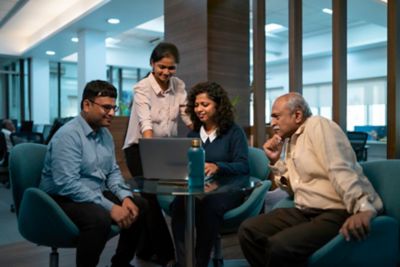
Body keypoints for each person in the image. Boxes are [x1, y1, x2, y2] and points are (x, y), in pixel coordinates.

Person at [238, 92, 383, 267]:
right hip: (304, 211)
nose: (272, 123)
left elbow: (340, 169)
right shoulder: (292, 139)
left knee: (279, 246)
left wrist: (364, 208)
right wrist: (276, 161)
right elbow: (292, 188)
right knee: (248, 231)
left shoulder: (318, 125)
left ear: (297, 115)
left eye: (276, 117)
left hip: (335, 211)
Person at [40, 80, 147, 267]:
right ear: (87, 105)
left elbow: (112, 171)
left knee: (139, 204)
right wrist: (111, 207)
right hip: (60, 198)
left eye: (114, 107)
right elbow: (67, 184)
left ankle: (120, 263)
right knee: (99, 220)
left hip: (92, 192)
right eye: (106, 107)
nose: (112, 113)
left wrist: (125, 197)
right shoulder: (68, 135)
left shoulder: (105, 134)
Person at [123, 42, 192, 266]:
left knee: (153, 198)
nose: (166, 72)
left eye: (171, 68)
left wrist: (201, 130)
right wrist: (152, 151)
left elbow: (187, 115)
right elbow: (146, 123)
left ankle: (143, 250)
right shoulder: (142, 87)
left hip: (165, 148)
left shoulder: (179, 85)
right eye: (162, 67)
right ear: (152, 64)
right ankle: (168, 255)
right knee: (151, 198)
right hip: (139, 148)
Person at [171, 81, 250, 267]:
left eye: (204, 104)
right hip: (201, 187)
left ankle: (200, 262)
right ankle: (184, 262)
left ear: (218, 105)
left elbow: (243, 166)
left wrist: (218, 167)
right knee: (178, 205)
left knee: (208, 206)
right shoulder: (193, 136)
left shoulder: (234, 132)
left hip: (229, 189)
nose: (199, 109)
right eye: (196, 105)